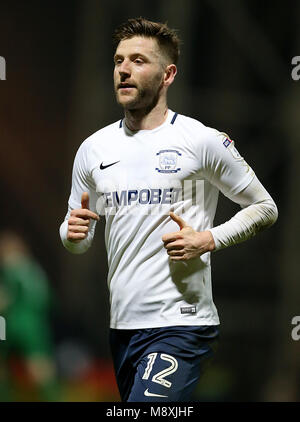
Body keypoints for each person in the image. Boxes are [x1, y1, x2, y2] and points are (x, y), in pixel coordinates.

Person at [59, 17, 278, 402]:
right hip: (123, 326)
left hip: (182, 324)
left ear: (168, 74)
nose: (124, 69)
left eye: (139, 60)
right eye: (118, 60)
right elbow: (78, 236)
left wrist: (208, 239)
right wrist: (71, 234)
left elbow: (264, 207)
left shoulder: (202, 141)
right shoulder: (94, 149)